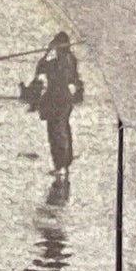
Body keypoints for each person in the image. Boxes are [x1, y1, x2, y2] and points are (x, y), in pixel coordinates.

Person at [34, 32, 83, 180]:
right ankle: (62, 165)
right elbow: (40, 70)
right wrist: (48, 52)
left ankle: (61, 165)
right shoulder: (65, 59)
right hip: (58, 100)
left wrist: (48, 53)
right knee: (58, 131)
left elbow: (44, 69)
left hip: (59, 100)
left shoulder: (64, 61)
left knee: (58, 132)